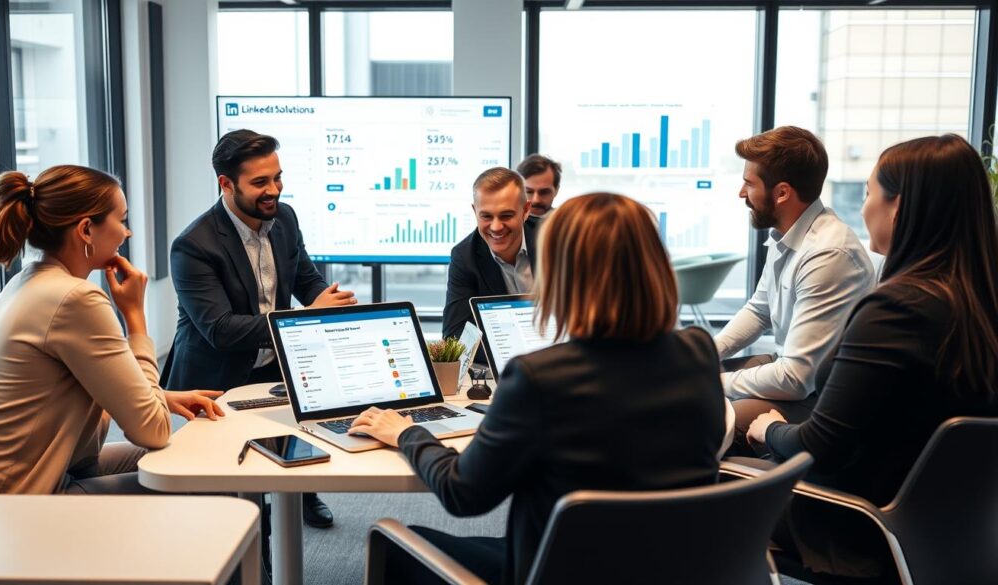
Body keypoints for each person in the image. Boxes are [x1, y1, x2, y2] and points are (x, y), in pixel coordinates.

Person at [351, 193, 727, 585]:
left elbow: (463, 493)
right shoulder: (698, 351)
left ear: (564, 275)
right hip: (671, 567)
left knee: (394, 545)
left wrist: (408, 432)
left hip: (559, 569)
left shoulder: (539, 378)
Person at [747, 134, 998, 581]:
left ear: (898, 208)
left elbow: (817, 446)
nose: (862, 209)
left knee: (702, 486)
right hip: (949, 530)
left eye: (868, 193)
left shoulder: (897, 310)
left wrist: (770, 430)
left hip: (857, 521)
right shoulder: (980, 305)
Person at [0, 165, 223, 495]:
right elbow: (154, 429)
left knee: (187, 459)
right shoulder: (74, 299)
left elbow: (64, 391)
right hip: (19, 502)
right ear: (86, 230)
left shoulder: (29, 281)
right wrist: (135, 315)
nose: (127, 233)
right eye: (121, 220)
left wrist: (157, 396)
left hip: (13, 484)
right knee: (199, 480)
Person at [164, 129, 355, 527]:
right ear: (226, 183)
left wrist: (328, 301)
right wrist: (302, 320)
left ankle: (300, 496)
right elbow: (220, 329)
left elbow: (306, 279)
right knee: (232, 489)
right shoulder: (194, 245)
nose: (274, 190)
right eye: (260, 182)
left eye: (278, 177)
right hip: (217, 375)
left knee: (298, 431)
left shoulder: (283, 218)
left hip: (274, 358)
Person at [716, 126, 875, 444]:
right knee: (679, 383)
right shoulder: (788, 233)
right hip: (791, 369)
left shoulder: (828, 254)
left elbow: (796, 379)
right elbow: (759, 310)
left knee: (708, 423)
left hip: (817, 397)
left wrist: (708, 382)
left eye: (749, 183)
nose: (741, 193)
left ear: (782, 193)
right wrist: (702, 357)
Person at [441, 167, 540, 343]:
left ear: (525, 211)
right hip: (507, 364)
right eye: (486, 216)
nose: (496, 227)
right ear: (475, 211)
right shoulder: (464, 257)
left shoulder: (556, 240)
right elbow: (454, 335)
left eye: (506, 215)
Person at [517, 153, 562, 219]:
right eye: (528, 192)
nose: (536, 200)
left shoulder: (567, 224)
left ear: (556, 190)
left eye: (544, 192)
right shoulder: (505, 225)